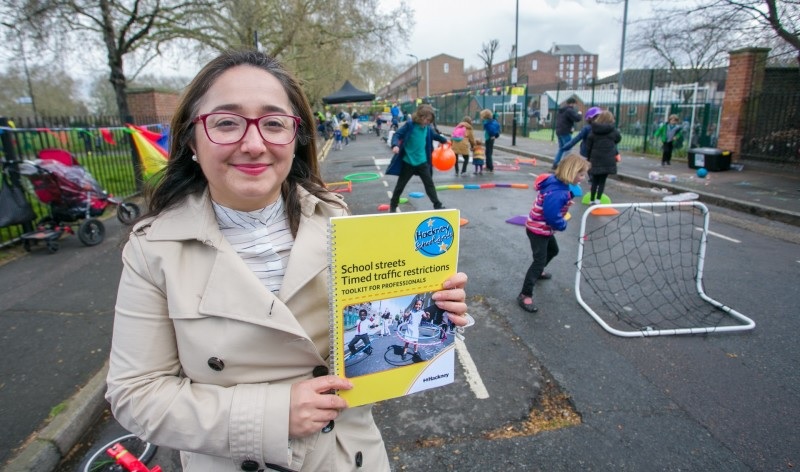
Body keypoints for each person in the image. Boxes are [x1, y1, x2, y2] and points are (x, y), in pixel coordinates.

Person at [105, 49, 471, 472]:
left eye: (274, 123)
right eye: (226, 122)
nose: (254, 144)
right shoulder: (153, 249)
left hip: (350, 458)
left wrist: (435, 304)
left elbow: (372, 325)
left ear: (295, 139)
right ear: (191, 139)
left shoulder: (336, 218)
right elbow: (136, 394)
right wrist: (271, 416)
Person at [517, 154, 590, 313]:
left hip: (540, 228)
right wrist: (562, 224)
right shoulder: (558, 192)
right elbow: (551, 215)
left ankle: (540, 271)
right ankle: (525, 294)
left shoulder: (557, 184)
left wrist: (566, 200)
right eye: (581, 174)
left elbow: (551, 201)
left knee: (553, 250)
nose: (583, 178)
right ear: (571, 172)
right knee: (538, 261)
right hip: (539, 230)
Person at [388, 104, 449, 212]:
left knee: (429, 184)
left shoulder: (427, 128)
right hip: (409, 162)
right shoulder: (410, 125)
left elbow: (435, 136)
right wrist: (395, 145)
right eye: (426, 119)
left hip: (422, 162)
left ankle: (437, 205)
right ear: (420, 116)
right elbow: (397, 134)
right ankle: (393, 205)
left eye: (429, 120)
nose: (427, 122)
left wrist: (444, 140)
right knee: (400, 185)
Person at [585, 110, 622, 205]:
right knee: (602, 181)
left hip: (595, 159)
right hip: (608, 159)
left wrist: (588, 158)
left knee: (594, 180)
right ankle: (598, 200)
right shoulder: (613, 131)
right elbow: (618, 139)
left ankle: (591, 199)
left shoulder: (594, 130)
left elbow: (588, 145)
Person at [552, 97, 583, 169]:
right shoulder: (569, 110)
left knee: (561, 148)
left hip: (559, 131)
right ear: (572, 104)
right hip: (565, 131)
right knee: (568, 148)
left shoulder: (561, 110)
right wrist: (580, 114)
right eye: (575, 104)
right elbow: (577, 119)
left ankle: (556, 163)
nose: (575, 106)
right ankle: (563, 165)